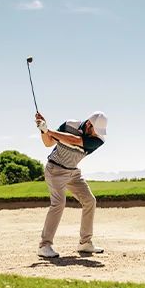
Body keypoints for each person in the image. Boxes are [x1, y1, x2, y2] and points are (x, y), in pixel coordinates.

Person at [34, 111, 108, 259]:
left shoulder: (98, 140)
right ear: (89, 124)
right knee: (59, 203)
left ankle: (85, 243)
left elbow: (74, 140)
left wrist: (49, 130)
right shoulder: (68, 125)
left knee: (89, 201)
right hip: (55, 169)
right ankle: (44, 245)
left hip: (73, 172)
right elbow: (48, 143)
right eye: (95, 130)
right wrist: (43, 130)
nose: (97, 134)